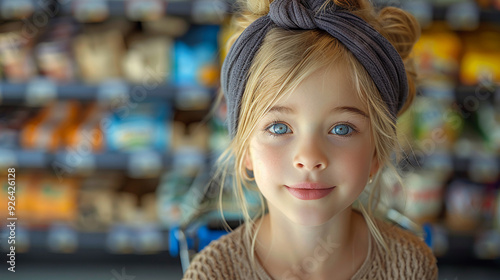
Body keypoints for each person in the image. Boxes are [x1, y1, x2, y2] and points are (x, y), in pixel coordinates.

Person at [183, 0, 438, 279]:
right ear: (245, 150)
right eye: (279, 128)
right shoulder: (212, 272)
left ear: (377, 153)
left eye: (341, 129)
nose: (309, 158)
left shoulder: (411, 265)